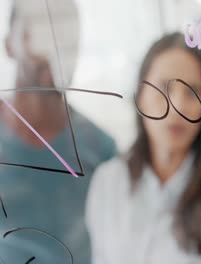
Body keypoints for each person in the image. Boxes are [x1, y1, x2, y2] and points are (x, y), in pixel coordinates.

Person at [86, 32, 201, 263]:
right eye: (164, 88)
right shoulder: (108, 183)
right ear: (140, 96)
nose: (177, 106)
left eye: (192, 92)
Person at [0, 1, 116, 263]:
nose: (51, 47)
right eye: (37, 33)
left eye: (63, 36)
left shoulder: (103, 151)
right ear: (9, 44)